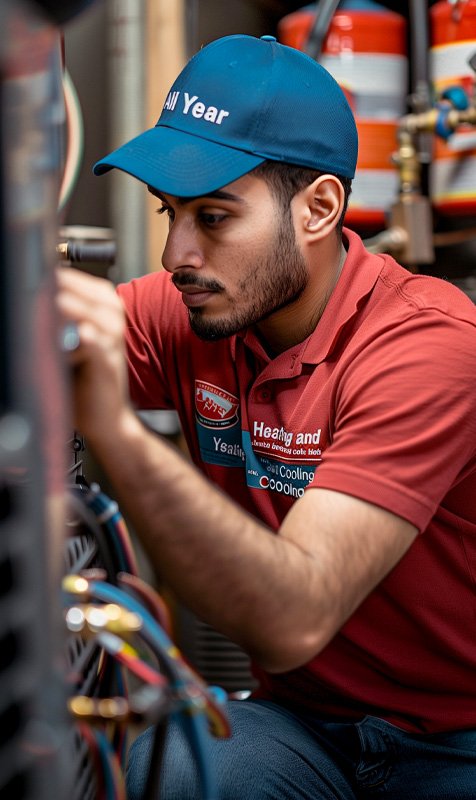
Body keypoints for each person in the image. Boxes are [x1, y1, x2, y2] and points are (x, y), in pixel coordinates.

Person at [56, 33, 476, 800]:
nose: (177, 253)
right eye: (169, 212)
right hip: (303, 724)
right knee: (177, 768)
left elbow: (295, 616)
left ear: (319, 207)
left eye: (213, 217)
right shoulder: (194, 307)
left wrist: (114, 428)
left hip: (456, 740)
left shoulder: (428, 347)